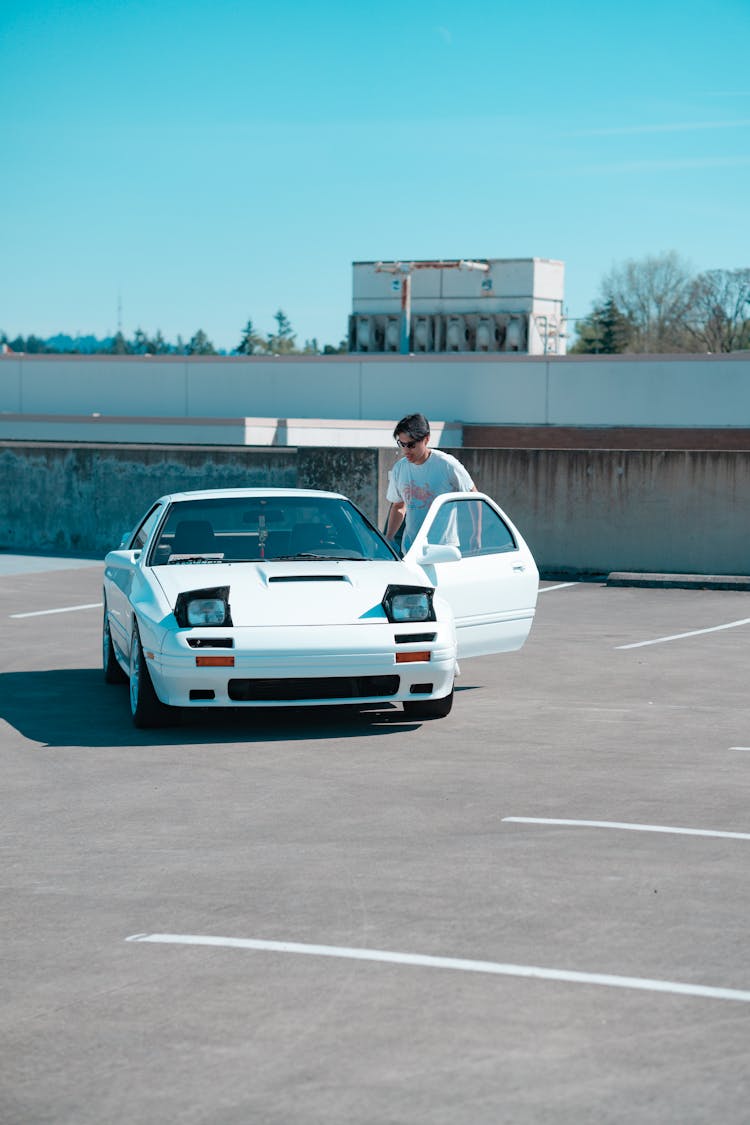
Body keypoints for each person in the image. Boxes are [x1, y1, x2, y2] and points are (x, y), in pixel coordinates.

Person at [385, 412, 478, 553]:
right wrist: (389, 537)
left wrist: (476, 534)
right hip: (411, 550)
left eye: (411, 445)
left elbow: (474, 497)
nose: (406, 450)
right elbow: (398, 505)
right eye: (402, 444)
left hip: (443, 550)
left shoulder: (447, 465)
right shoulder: (400, 468)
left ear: (426, 439)